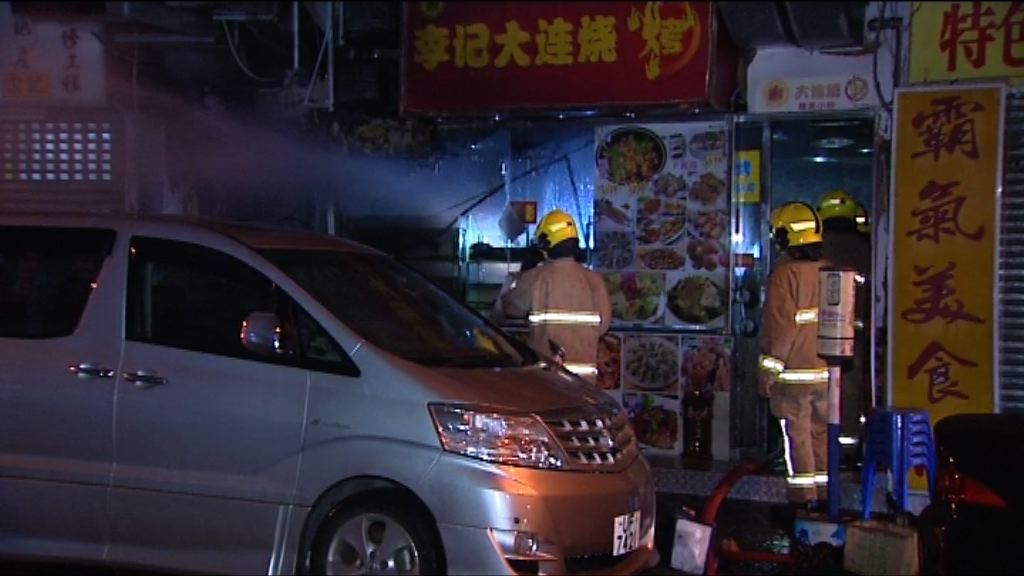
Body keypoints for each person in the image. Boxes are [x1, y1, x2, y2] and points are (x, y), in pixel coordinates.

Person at [759, 201, 831, 508]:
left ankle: (803, 501)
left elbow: (781, 329)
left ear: (785, 238)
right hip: (826, 374)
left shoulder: (784, 275)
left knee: (797, 437)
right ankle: (825, 497)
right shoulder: (828, 271)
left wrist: (768, 373)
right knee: (820, 435)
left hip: (794, 376)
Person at [500, 209, 612, 382]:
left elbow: (510, 307)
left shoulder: (536, 277)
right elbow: (603, 326)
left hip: (548, 381)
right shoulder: (594, 280)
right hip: (585, 383)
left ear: (545, 244)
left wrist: (525, 270)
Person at [817, 190, 872, 452]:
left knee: (819, 393)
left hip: (818, 337)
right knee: (850, 391)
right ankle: (847, 448)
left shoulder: (817, 248)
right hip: (857, 337)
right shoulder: (865, 249)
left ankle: (824, 448)